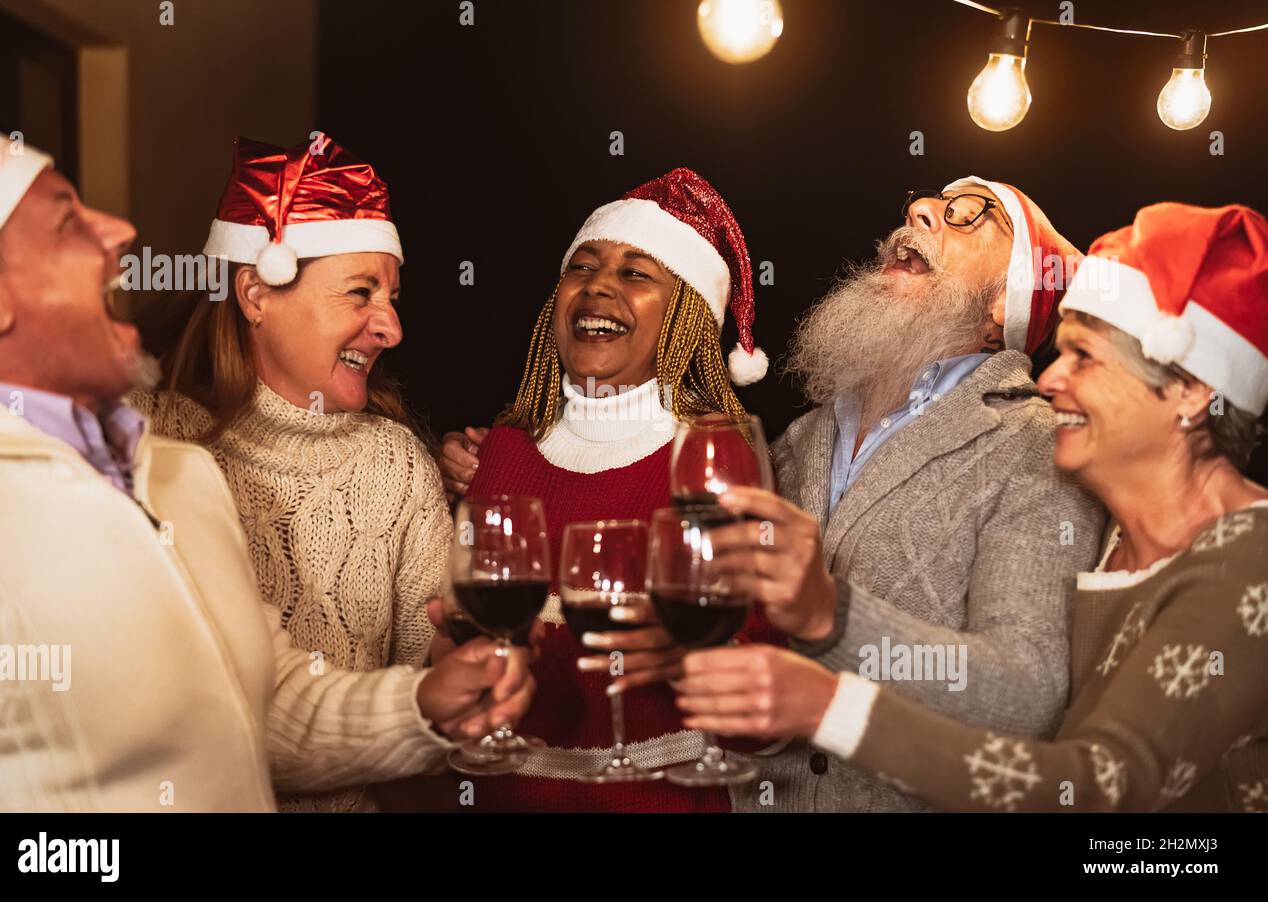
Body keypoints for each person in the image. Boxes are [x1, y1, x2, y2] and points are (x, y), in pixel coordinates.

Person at [0, 122, 533, 812]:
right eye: (66, 223)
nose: (120, 231)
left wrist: (425, 701)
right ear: (255, 292)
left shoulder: (175, 474)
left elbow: (262, 704)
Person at [677, 202, 1268, 812]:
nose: (1048, 379)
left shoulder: (1249, 561)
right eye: (1061, 352)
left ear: (1192, 392)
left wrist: (831, 694)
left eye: (1084, 357)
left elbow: (1093, 785)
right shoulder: (1124, 547)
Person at [654, 176, 1103, 812]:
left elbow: (1025, 695)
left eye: (968, 216)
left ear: (1007, 300)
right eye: (925, 205)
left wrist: (831, 615)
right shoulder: (798, 436)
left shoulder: (1038, 445)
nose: (918, 210)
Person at [434, 167, 778, 812]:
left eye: (635, 272)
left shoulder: (712, 457)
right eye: (582, 266)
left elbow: (759, 707)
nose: (598, 285)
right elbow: (459, 642)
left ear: (686, 317)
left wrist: (687, 655)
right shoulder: (503, 449)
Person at [129, 134, 452, 811]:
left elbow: (434, 716)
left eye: (392, 297)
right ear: (255, 292)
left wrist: (463, 663)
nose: (390, 326)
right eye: (361, 292)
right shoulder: (140, 438)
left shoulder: (395, 466)